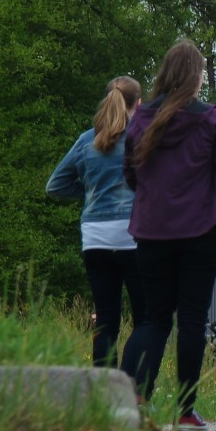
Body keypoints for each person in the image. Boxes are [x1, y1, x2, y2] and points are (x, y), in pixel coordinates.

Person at [118, 41, 216, 431]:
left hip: (152, 232)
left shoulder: (140, 119)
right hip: (201, 232)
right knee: (192, 318)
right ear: (195, 76)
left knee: (154, 319)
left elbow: (130, 175)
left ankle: (133, 398)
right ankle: (186, 411)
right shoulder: (209, 120)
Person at [45, 76, 143, 369]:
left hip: (94, 237)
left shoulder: (87, 140)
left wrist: (88, 191)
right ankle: (133, 387)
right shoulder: (142, 139)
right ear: (137, 104)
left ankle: (103, 392)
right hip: (132, 236)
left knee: (106, 319)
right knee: (145, 318)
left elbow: (55, 186)